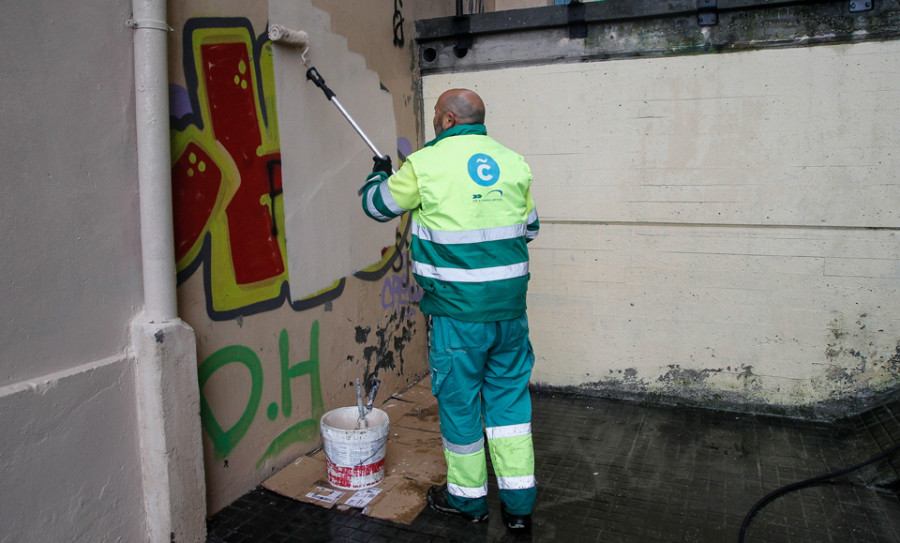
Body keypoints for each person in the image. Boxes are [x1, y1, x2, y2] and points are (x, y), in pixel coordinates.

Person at [360, 88, 539, 532]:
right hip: (510, 315)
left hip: (458, 318)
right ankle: (519, 508)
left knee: (461, 407)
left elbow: (377, 206)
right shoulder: (514, 162)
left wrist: (378, 176)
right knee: (510, 407)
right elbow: (529, 228)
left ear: (444, 119)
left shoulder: (425, 165)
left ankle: (469, 502)